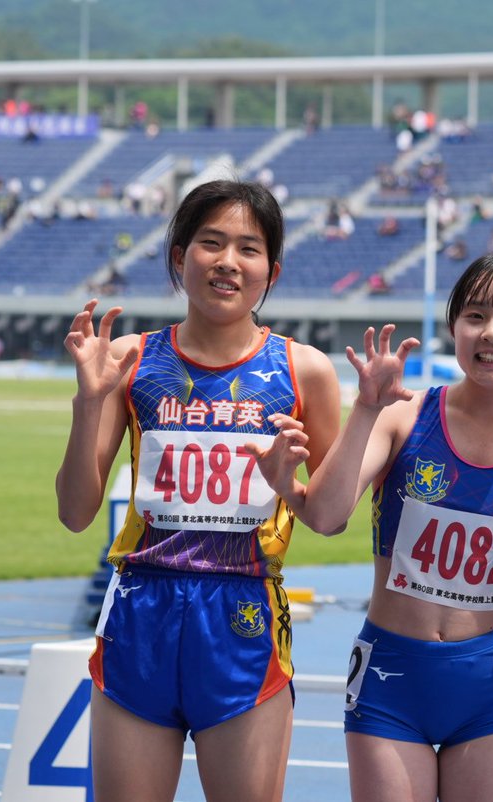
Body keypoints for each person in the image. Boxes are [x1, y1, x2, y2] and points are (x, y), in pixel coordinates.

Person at [54, 179, 341, 802]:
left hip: (244, 617)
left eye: (248, 248)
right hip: (140, 613)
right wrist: (89, 400)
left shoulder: (305, 371)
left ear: (272, 269)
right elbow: (76, 513)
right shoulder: (129, 361)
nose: (228, 262)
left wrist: (287, 482)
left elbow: (330, 517)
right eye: (210, 243)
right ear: (179, 257)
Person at [280, 254, 493, 802]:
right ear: (453, 327)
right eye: (475, 315)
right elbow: (327, 517)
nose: (492, 333)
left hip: (486, 685)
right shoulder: (402, 417)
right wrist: (364, 409)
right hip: (390, 679)